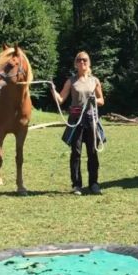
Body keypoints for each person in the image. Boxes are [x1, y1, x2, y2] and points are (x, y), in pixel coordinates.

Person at [52, 51, 105, 195]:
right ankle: (77, 185)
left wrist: (95, 100)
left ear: (89, 63)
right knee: (76, 152)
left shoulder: (95, 81)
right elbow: (61, 99)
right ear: (76, 64)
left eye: (85, 60)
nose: (82, 62)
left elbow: (102, 101)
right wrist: (53, 90)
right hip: (76, 120)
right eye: (79, 60)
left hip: (91, 119)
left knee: (92, 152)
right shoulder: (71, 81)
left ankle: (94, 184)